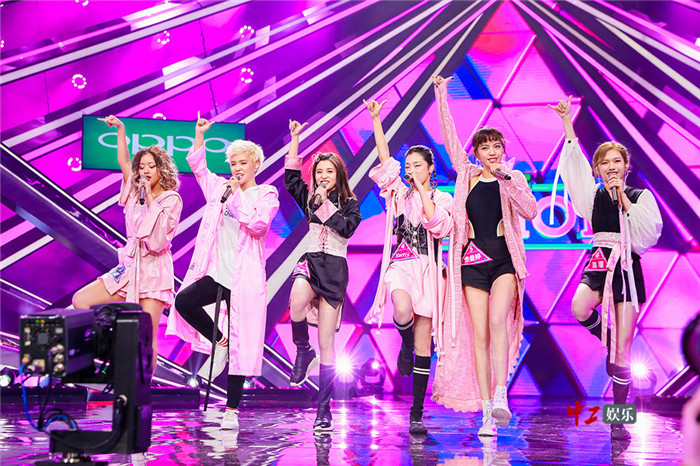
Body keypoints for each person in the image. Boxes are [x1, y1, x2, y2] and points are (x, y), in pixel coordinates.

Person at [549, 96, 662, 440]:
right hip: (599, 260)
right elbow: (575, 167)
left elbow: (647, 234)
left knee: (622, 355)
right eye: (604, 162)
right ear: (597, 169)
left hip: (626, 266)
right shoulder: (593, 197)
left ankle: (618, 419)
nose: (610, 166)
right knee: (579, 306)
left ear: (626, 166)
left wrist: (623, 198)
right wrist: (567, 124)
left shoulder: (640, 196)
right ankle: (608, 337)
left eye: (616, 161)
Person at [430, 75, 538, 437]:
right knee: (479, 333)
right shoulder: (467, 176)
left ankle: (502, 394)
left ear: (503, 150)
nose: (491, 152)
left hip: (504, 260)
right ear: (476, 152)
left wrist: (507, 179)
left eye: (496, 146)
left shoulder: (514, 177)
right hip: (471, 263)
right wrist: (441, 94)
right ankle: (488, 411)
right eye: (485, 147)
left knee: (497, 321)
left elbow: (530, 211)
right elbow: (449, 138)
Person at [166, 113, 279, 430]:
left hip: (246, 280)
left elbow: (258, 225)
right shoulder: (221, 188)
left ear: (255, 165)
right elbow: (199, 167)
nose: (237, 168)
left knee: (241, 348)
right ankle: (218, 340)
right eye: (233, 163)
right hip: (218, 273)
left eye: (243, 163)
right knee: (184, 301)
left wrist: (236, 195)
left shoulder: (266, 194)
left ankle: (231, 410)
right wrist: (199, 135)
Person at [365, 99, 453, 434]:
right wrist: (376, 120)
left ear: (430, 169)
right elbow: (384, 160)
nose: (411, 169)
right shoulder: (399, 195)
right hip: (401, 264)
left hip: (429, 271)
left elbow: (437, 224)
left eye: (417, 165)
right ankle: (402, 340)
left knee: (423, 346)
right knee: (401, 310)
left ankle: (416, 412)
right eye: (408, 165)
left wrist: (422, 191)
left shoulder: (442, 199)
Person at [72, 115, 182, 376]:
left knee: (147, 337)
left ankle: (142, 391)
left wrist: (151, 199)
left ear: (161, 169)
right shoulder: (134, 192)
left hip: (154, 269)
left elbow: (160, 238)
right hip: (130, 266)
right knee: (80, 300)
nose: (145, 171)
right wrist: (121, 130)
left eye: (151, 166)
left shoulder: (171, 199)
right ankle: (112, 339)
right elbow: (123, 162)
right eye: (142, 166)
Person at [285, 119, 362, 432]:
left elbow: (346, 228)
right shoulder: (309, 197)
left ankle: (323, 409)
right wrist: (295, 138)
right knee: (296, 301)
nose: (323, 176)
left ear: (338, 175)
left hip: (334, 272)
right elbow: (291, 179)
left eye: (329, 171)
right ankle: (303, 350)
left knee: (327, 344)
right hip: (311, 261)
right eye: (319, 172)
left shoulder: (350, 203)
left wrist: (323, 205)